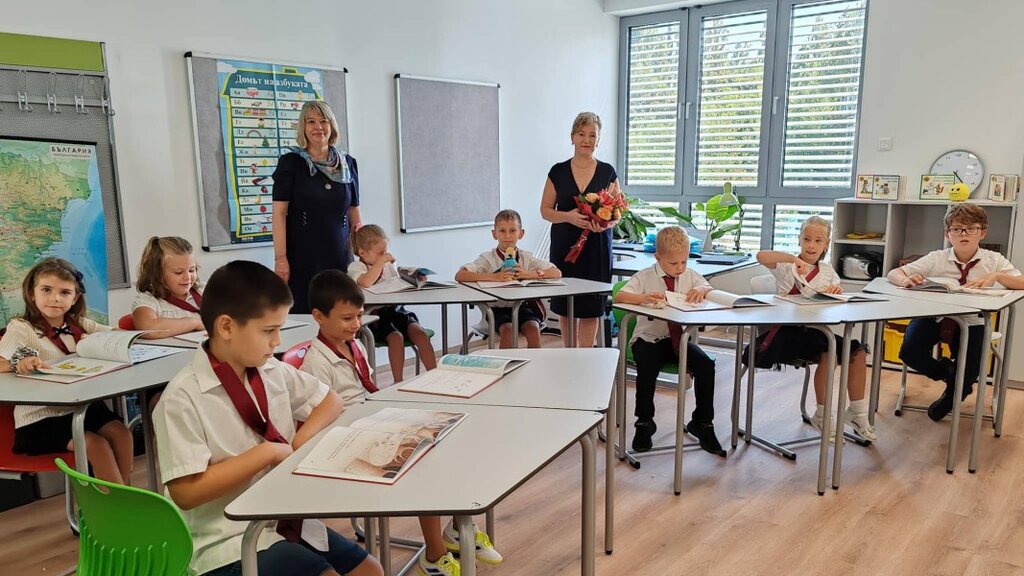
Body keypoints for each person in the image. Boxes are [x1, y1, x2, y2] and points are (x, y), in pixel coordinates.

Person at [153, 260, 383, 576]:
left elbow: (330, 400)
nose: (277, 342)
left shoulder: (270, 369)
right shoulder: (182, 397)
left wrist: (300, 441)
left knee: (370, 571)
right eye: (269, 331)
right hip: (225, 542)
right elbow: (185, 492)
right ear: (227, 327)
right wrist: (268, 452)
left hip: (282, 518)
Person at [302, 270, 500, 575]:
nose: (356, 325)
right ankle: (434, 556)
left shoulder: (352, 345)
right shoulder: (316, 363)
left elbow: (365, 392)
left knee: (445, 437)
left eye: (358, 316)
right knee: (420, 460)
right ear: (318, 316)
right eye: (347, 319)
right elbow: (323, 421)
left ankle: (458, 531)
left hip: (370, 423)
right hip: (347, 440)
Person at [0, 258, 133, 484]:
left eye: (64, 292)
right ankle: (111, 512)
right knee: (95, 444)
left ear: (75, 298)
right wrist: (20, 362)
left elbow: (121, 335)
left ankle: (125, 499)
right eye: (46, 290)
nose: (55, 298)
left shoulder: (79, 324)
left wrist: (104, 340)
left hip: (80, 407)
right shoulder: (21, 327)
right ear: (32, 294)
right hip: (39, 417)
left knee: (122, 434)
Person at [887, 203, 1024, 421]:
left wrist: (996, 277)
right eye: (957, 229)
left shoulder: (993, 260)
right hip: (933, 316)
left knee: (970, 369)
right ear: (948, 234)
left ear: (982, 232)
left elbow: (1021, 282)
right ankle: (950, 376)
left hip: (972, 321)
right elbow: (894, 272)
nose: (963, 234)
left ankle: (953, 394)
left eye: (971, 228)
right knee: (909, 352)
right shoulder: (936, 258)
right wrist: (905, 279)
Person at [753, 216, 876, 441]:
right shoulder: (786, 265)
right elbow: (761, 256)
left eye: (818, 241)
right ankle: (822, 414)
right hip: (784, 333)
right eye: (806, 239)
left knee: (857, 352)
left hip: (815, 331)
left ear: (826, 244)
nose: (811, 245)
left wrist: (834, 293)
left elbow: (834, 300)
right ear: (799, 240)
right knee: (829, 350)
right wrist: (792, 259)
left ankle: (857, 413)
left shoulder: (828, 272)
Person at [612, 227, 725, 456]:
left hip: (678, 341)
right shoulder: (645, 276)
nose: (680, 268)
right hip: (648, 339)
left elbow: (709, 287)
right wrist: (643, 298)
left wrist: (702, 288)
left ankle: (703, 423)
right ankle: (644, 422)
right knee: (647, 365)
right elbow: (620, 296)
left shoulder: (689, 275)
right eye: (673, 264)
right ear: (658, 257)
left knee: (705, 365)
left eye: (683, 262)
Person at [272, 100, 362, 314]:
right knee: (305, 316)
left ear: (331, 126)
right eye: (311, 121)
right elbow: (279, 214)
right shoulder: (291, 162)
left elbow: (354, 212)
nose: (318, 127)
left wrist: (364, 252)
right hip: (302, 256)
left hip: (340, 254)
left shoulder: (347, 163)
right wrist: (280, 258)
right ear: (303, 127)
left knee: (341, 315)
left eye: (323, 121)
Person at [541, 111, 620, 348]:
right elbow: (545, 210)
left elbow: (617, 213)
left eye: (592, 135)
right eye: (582, 134)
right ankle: (568, 353)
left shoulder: (607, 172)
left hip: (596, 247)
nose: (587, 140)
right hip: (565, 246)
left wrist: (604, 224)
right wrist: (568, 217)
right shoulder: (557, 171)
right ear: (572, 136)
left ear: (598, 139)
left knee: (591, 306)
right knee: (565, 305)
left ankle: (586, 356)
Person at [455, 209, 562, 348]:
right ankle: (504, 365)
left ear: (521, 233)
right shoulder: (488, 259)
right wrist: (494, 277)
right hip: (496, 310)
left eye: (512, 231)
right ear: (494, 234)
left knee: (533, 328)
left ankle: (534, 365)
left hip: (522, 307)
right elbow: (460, 275)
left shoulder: (526, 257)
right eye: (502, 231)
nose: (507, 236)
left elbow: (556, 273)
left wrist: (527, 274)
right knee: (508, 330)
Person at [348, 225, 437, 382]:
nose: (385, 255)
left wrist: (415, 279)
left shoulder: (387, 265)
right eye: (380, 253)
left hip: (396, 310)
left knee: (419, 333)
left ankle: (436, 376)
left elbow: (397, 282)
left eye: (385, 250)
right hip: (375, 316)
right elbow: (366, 282)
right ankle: (398, 381)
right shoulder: (356, 267)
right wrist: (381, 261)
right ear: (362, 253)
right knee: (396, 337)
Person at [132, 236, 204, 339]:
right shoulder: (147, 301)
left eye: (192, 270)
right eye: (178, 272)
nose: (187, 277)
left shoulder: (204, 291)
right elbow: (149, 329)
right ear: (158, 274)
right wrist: (195, 322)